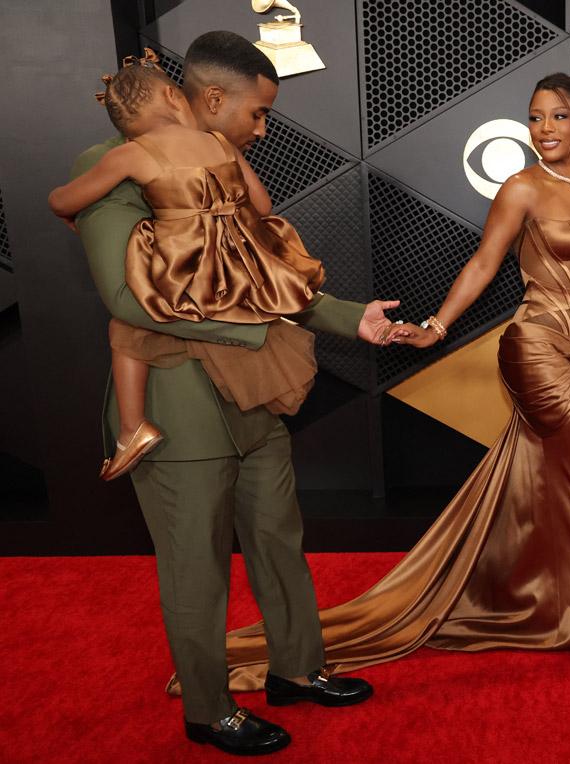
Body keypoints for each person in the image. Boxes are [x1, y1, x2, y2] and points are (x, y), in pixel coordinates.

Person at [207, 72, 570, 692]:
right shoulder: (521, 188)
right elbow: (485, 263)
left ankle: (529, 595)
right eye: (535, 117)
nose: (544, 129)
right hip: (537, 347)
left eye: (558, 118)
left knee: (542, 480)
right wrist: (435, 326)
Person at [71, 31, 401, 756]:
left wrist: (355, 319)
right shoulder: (115, 168)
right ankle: (209, 709)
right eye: (257, 114)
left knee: (280, 542)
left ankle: (297, 670)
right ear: (212, 99)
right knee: (196, 563)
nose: (260, 129)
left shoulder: (227, 170)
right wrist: (254, 331)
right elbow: (128, 298)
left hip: (254, 395)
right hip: (177, 406)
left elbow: (271, 279)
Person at [50, 49, 332, 481]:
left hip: (184, 269)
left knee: (126, 328)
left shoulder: (130, 155)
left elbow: (61, 199)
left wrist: (73, 217)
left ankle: (131, 429)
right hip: (238, 266)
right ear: (172, 94)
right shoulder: (219, 142)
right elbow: (261, 205)